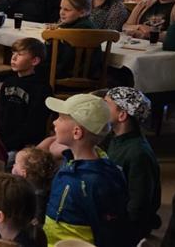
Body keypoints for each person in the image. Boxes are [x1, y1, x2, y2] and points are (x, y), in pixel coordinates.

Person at [42, 94, 133, 247]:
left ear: (77, 132)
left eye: (61, 118)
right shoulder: (70, 161)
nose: (54, 122)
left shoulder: (98, 181)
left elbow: (110, 231)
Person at [103, 87, 162, 243]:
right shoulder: (114, 139)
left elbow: (139, 202)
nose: (101, 108)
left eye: (106, 104)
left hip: (128, 223)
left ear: (122, 115)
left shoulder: (139, 153)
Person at [0, 38, 53, 154]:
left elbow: (35, 124)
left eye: (20, 54)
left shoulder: (41, 88)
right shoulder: (8, 82)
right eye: (13, 53)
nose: (13, 58)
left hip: (24, 145)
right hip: (3, 139)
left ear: (34, 61)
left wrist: (9, 143)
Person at [11, 147, 56, 225]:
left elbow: (36, 223)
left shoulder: (35, 199)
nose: (13, 165)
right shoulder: (46, 191)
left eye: (16, 163)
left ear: (23, 173)